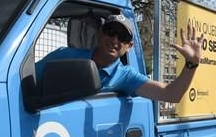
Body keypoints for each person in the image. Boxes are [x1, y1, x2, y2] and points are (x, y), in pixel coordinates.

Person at [38, 13, 203, 102]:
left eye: (123, 36)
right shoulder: (64, 56)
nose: (115, 40)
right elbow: (22, 82)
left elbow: (170, 95)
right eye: (110, 32)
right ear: (100, 34)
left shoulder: (126, 76)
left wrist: (191, 64)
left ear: (129, 46)